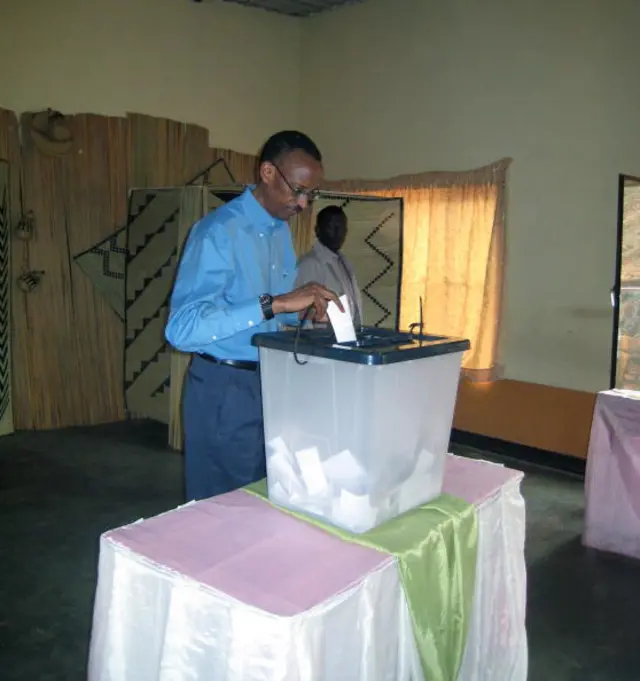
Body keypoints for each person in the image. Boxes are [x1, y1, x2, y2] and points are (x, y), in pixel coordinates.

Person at [165, 130, 341, 501]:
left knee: (260, 496)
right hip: (223, 387)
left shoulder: (279, 234)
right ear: (267, 173)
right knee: (221, 509)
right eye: (297, 190)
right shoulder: (217, 232)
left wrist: (303, 317)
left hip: (269, 383)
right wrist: (273, 303)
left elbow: (267, 317)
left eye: (312, 194)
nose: (304, 204)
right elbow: (182, 330)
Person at [295, 205, 363, 328]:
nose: (338, 232)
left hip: (346, 339)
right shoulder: (310, 263)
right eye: (332, 227)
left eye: (342, 227)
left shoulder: (344, 262)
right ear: (317, 230)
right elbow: (301, 315)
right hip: (321, 343)